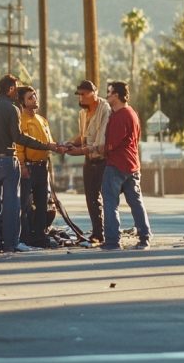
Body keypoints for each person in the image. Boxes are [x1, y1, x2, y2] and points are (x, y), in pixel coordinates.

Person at [0, 74, 62, 253]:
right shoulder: (12, 109)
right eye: (16, 88)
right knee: (12, 204)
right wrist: (44, 145)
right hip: (8, 160)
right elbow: (18, 137)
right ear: (10, 90)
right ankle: (11, 244)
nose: (17, 92)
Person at [99, 81, 152, 250]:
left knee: (110, 202)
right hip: (132, 165)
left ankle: (113, 241)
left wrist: (95, 149)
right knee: (136, 202)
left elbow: (111, 144)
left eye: (109, 92)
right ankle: (145, 237)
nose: (106, 96)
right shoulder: (132, 114)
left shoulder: (120, 115)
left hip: (116, 165)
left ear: (116, 95)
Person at [63, 80, 111, 243]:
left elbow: (101, 142)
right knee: (91, 198)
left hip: (104, 160)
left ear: (94, 93)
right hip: (89, 161)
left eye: (84, 94)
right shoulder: (82, 114)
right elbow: (82, 136)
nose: (81, 98)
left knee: (108, 198)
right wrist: (69, 144)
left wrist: (79, 151)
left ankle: (110, 232)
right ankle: (98, 233)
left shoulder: (105, 109)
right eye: (79, 94)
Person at [15, 86, 54, 248]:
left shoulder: (42, 120)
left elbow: (49, 143)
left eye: (35, 96)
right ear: (22, 102)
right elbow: (18, 145)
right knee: (24, 205)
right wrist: (22, 165)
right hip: (28, 168)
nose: (35, 99)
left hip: (42, 168)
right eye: (30, 97)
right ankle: (24, 238)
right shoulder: (20, 121)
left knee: (42, 204)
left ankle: (40, 236)